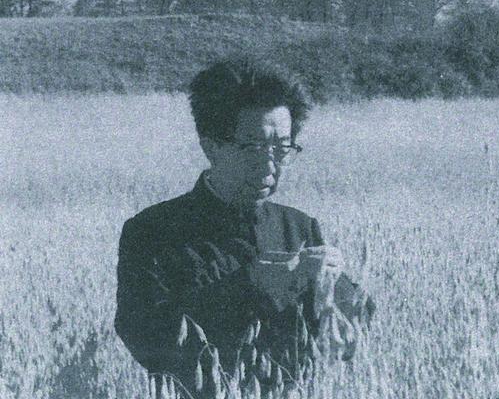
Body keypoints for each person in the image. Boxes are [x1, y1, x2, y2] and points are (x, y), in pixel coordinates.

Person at [114, 55, 374, 397]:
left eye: (282, 148)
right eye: (253, 147)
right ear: (211, 147)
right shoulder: (151, 231)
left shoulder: (299, 227)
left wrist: (337, 290)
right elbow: (145, 339)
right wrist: (251, 285)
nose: (269, 165)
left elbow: (349, 338)